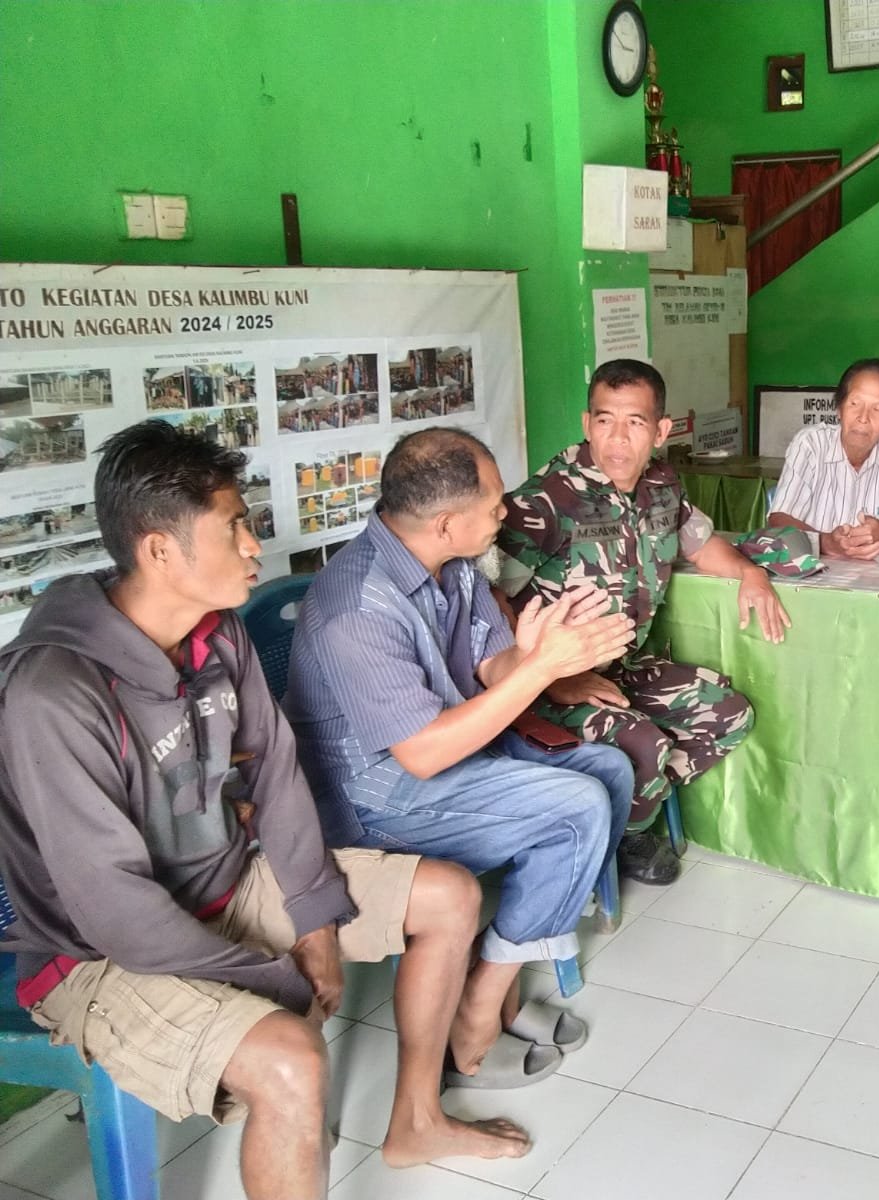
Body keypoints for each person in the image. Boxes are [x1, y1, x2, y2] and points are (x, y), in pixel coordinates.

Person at [0, 421, 532, 1199]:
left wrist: (314, 923)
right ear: (160, 550)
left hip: (225, 885)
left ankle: (417, 1120)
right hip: (94, 956)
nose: (254, 545)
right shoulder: (54, 691)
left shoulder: (216, 633)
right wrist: (276, 975)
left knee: (450, 896)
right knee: (291, 1060)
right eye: (234, 528)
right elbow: (113, 910)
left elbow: (278, 775)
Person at [286, 426, 637, 1083]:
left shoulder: (452, 566)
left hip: (449, 763)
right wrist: (540, 671)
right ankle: (480, 1009)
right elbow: (421, 754)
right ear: (445, 523)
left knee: (609, 771)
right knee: (577, 806)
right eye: (494, 502)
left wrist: (532, 653)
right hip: (373, 802)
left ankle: (488, 971)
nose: (505, 511)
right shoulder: (358, 606)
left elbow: (491, 668)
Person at [498, 358, 790, 886]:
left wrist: (750, 573)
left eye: (634, 422)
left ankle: (628, 814)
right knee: (644, 743)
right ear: (587, 424)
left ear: (660, 430)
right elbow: (485, 598)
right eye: (604, 420)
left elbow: (700, 545)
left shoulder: (662, 484)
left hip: (623, 666)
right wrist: (551, 675)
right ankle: (625, 834)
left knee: (729, 713)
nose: (617, 438)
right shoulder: (548, 498)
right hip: (544, 685)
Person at [768, 358, 879, 558]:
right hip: (816, 571)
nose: (863, 417)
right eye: (854, 403)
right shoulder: (810, 444)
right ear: (839, 408)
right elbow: (780, 519)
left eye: (877, 409)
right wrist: (826, 543)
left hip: (878, 574)